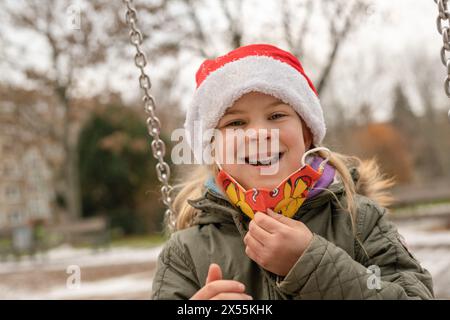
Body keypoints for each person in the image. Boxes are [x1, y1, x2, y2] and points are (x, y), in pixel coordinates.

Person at [151, 44, 434, 300]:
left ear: (307, 134)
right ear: (212, 148)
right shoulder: (187, 252)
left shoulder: (359, 221)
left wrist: (311, 264)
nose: (259, 133)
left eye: (276, 116)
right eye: (236, 123)